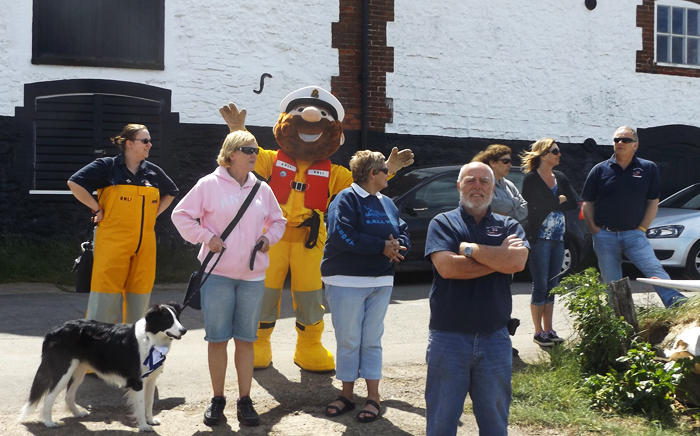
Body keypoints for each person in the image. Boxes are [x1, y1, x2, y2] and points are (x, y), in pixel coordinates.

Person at [219, 88, 414, 372]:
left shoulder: (334, 172)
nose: (310, 119)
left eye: (323, 116)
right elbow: (247, 154)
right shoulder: (271, 160)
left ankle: (308, 347)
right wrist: (237, 130)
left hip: (310, 241)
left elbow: (363, 181)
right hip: (270, 238)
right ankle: (258, 344)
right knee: (265, 294)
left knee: (310, 297)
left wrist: (389, 166)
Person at [171, 131, 286, 427]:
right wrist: (206, 237)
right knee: (218, 339)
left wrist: (267, 238)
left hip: (252, 276)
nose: (253, 154)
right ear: (231, 153)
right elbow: (180, 215)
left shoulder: (262, 188)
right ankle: (217, 398)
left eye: (256, 150)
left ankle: (245, 399)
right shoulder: (208, 185)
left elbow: (278, 221)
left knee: (247, 340)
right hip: (217, 275)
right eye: (248, 149)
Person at [424, 162, 529, 436]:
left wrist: (470, 250)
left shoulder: (510, 225)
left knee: (495, 424)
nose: (477, 186)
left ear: (493, 188)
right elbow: (448, 268)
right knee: (441, 422)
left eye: (484, 181)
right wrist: (499, 259)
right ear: (459, 186)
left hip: (495, 339)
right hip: (448, 338)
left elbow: (517, 262)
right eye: (470, 180)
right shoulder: (443, 223)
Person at [321, 150, 410, 423]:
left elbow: (402, 229)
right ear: (372, 174)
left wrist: (397, 246)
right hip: (345, 280)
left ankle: (373, 398)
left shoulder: (387, 202)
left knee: (371, 341)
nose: (388, 174)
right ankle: (346, 395)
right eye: (385, 170)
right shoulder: (345, 199)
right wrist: (381, 247)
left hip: (381, 281)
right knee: (349, 341)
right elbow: (340, 235)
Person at [67, 124, 178, 324]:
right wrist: (96, 208)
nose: (149, 145)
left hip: (145, 245)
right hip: (112, 243)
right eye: (145, 141)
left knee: (140, 295)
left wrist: (155, 213)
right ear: (129, 143)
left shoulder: (152, 172)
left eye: (150, 141)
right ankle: (97, 344)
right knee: (105, 295)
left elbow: (171, 192)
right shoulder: (107, 166)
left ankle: (134, 345)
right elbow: (74, 183)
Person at [581, 126, 687, 308]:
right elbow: (587, 202)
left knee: (654, 269)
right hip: (605, 235)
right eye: (616, 140)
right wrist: (594, 230)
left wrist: (642, 228)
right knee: (612, 282)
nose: (620, 143)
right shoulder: (600, 170)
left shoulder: (647, 168)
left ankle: (676, 305)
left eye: (625, 140)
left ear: (635, 145)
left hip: (634, 234)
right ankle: (620, 318)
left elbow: (653, 201)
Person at [520, 138, 578, 347]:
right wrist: (557, 201)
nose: (559, 154)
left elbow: (572, 202)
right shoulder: (531, 179)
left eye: (558, 151)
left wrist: (554, 203)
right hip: (539, 239)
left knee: (553, 285)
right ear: (543, 155)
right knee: (541, 284)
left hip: (558, 238)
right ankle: (538, 332)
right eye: (554, 151)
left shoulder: (560, 177)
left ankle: (549, 329)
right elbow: (536, 205)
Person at [472, 144, 527, 222]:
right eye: (505, 161)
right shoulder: (482, 184)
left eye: (510, 161)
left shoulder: (509, 185)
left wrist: (507, 215)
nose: (509, 165)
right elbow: (494, 204)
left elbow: (525, 208)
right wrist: (516, 202)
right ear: (492, 163)